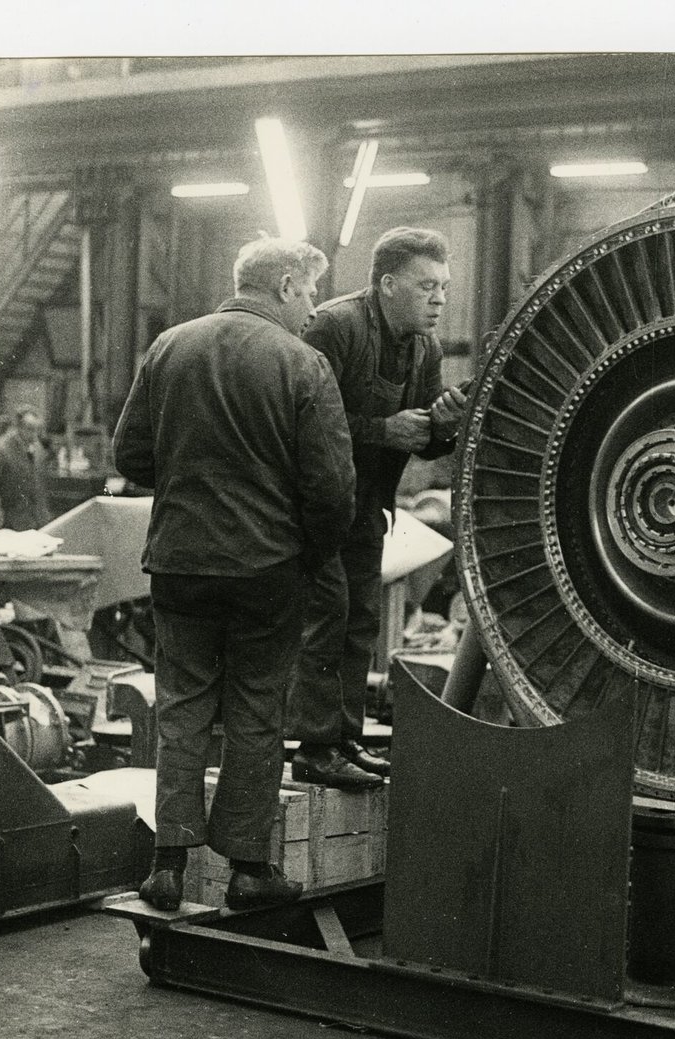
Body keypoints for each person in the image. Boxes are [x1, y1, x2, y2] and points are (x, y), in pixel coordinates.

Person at [113, 237, 356, 911]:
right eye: (308, 293)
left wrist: (193, 482)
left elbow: (130, 451)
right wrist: (308, 554)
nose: (312, 309)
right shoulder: (303, 364)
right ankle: (249, 871)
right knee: (255, 710)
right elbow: (332, 489)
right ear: (283, 286)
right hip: (265, 569)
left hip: (179, 564)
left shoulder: (170, 347)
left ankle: (167, 865)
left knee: (182, 706)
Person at [286, 226, 468, 789]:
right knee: (330, 616)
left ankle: (343, 739)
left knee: (361, 621)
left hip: (366, 506)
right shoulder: (334, 327)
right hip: (313, 509)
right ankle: (315, 746)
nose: (439, 299)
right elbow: (299, 423)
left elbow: (422, 441)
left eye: (443, 287)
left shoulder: (425, 348)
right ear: (388, 285)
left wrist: (443, 426)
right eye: (426, 286)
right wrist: (382, 430)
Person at [0, 406, 50, 530]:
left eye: (38, 430)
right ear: (17, 427)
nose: (35, 435)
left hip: (34, 522)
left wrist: (43, 518)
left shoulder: (38, 449)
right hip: (6, 524)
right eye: (30, 429)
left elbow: (39, 486)